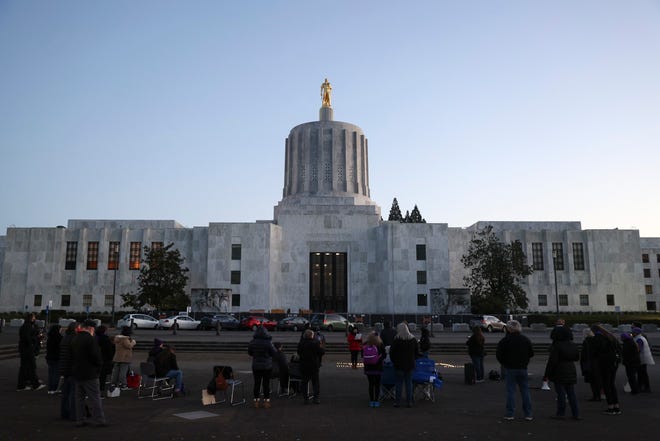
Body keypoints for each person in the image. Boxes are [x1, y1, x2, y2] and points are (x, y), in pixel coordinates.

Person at [496, 320, 534, 421]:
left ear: (509, 329)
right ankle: (528, 414)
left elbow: (499, 355)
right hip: (523, 368)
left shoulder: (505, 341)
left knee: (511, 392)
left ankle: (510, 414)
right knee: (525, 391)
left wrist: (505, 363)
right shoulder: (525, 339)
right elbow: (531, 353)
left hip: (510, 368)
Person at [71, 320, 106, 427]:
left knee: (79, 398)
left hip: (77, 372)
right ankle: (99, 419)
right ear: (91, 328)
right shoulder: (90, 339)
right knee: (94, 397)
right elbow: (96, 357)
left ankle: (80, 419)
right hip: (90, 373)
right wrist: (99, 367)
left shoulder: (75, 338)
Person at [544, 325, 580, 420]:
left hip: (559, 370)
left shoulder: (556, 346)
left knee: (561, 394)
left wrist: (547, 375)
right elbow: (576, 357)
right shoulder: (572, 344)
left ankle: (561, 413)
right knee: (571, 393)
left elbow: (552, 362)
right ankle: (576, 413)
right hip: (571, 369)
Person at [591, 324, 621, 415]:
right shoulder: (610, 337)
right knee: (611, 384)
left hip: (605, 363)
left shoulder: (597, 338)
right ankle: (616, 406)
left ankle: (610, 407)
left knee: (606, 385)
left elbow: (595, 352)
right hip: (614, 363)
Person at [389, 322, 420, 408]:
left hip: (399, 365)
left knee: (398, 384)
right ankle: (409, 402)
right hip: (409, 365)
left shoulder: (396, 339)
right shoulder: (413, 339)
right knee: (409, 384)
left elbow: (391, 353)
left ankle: (397, 402)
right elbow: (417, 353)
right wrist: (413, 360)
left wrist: (394, 361)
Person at [247, 325, 277, 408]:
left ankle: (256, 402)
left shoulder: (252, 342)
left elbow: (249, 352)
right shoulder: (268, 342)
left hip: (256, 366)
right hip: (267, 366)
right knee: (266, 384)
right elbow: (274, 353)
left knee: (257, 383)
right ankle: (266, 402)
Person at [17, 313, 45, 391]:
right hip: (27, 350)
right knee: (31, 367)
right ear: (30, 318)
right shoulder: (27, 326)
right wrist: (37, 338)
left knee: (25, 367)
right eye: (33, 318)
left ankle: (22, 385)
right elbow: (27, 338)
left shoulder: (27, 326)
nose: (34, 319)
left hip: (25, 349)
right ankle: (35, 384)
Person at [297, 328, 324, 404]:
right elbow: (322, 352)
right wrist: (321, 346)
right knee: (315, 383)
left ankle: (305, 399)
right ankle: (316, 398)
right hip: (313, 365)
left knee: (304, 382)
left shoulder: (301, 343)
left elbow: (299, 352)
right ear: (312, 335)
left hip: (304, 365)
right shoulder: (315, 343)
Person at [59, 322, 79, 420]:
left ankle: (64, 413)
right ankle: (74, 414)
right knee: (74, 393)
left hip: (64, 367)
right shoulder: (74, 339)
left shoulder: (65, 338)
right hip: (72, 368)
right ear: (75, 329)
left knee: (65, 393)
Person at [109, 326, 135, 392]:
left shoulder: (117, 338)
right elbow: (129, 346)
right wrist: (133, 342)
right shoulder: (125, 339)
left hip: (117, 357)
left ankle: (113, 383)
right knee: (123, 372)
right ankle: (123, 385)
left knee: (115, 371)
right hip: (124, 358)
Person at [362, 332, 385, 407]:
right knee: (377, 385)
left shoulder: (365, 344)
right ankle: (376, 401)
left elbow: (363, 355)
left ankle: (371, 401)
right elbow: (384, 355)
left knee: (371, 384)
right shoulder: (380, 344)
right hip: (378, 367)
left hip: (368, 367)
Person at [579, 328, 601, 401]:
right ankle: (599, 395)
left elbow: (584, 354)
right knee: (597, 380)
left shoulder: (586, 341)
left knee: (592, 381)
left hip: (590, 363)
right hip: (597, 363)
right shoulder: (597, 340)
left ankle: (596, 396)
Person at [632, 327, 655, 393]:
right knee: (642, 373)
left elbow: (638, 349)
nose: (632, 333)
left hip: (641, 359)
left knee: (642, 374)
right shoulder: (641, 338)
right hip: (643, 358)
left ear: (636, 333)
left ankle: (644, 387)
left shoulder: (639, 339)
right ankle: (643, 387)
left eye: (633, 332)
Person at [95, 325, 114, 393]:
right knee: (102, 375)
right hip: (104, 359)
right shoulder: (105, 339)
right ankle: (101, 388)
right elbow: (109, 350)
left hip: (96, 358)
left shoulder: (95, 337)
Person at [46, 324, 63, 394]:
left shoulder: (50, 337)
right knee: (56, 374)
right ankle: (55, 388)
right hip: (57, 358)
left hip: (49, 358)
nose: (61, 330)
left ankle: (50, 389)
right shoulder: (60, 338)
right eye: (60, 329)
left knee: (51, 374)